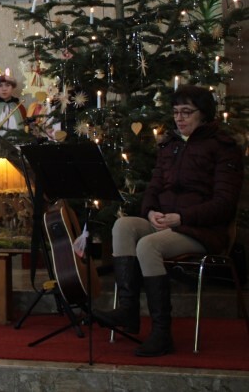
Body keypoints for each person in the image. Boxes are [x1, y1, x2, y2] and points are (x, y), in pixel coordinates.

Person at [93, 85, 244, 357]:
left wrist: (182, 217)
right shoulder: (170, 145)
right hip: (166, 223)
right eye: (175, 112)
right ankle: (128, 310)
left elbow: (224, 203)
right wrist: (151, 211)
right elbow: (153, 188)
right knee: (123, 225)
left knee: (148, 245)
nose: (179, 118)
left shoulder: (224, 148)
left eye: (186, 112)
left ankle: (162, 333)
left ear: (204, 114)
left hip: (201, 230)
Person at [0, 68, 27, 135]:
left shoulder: (20, 107)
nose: (4, 89)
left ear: (12, 87)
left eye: (8, 85)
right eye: (0, 86)